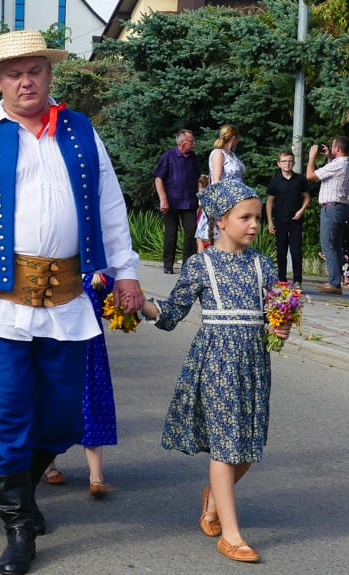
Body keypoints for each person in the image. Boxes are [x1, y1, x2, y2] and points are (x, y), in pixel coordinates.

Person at [0, 30, 143, 575]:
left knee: (65, 416)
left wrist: (128, 271)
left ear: (49, 74)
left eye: (35, 70)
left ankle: (25, 491)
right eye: (14, 72)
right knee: (3, 414)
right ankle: (18, 525)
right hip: (0, 303)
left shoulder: (80, 131)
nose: (26, 81)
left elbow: (110, 204)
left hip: (68, 299)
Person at [140, 180, 292, 564]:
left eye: (257, 217)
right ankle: (232, 534)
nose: (254, 224)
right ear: (222, 221)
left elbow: (278, 315)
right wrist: (140, 303)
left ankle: (212, 502)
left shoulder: (264, 264)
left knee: (248, 447)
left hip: (254, 363)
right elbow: (172, 313)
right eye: (245, 217)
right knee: (226, 446)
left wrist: (281, 328)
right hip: (216, 363)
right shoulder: (200, 263)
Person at [42, 272, 117, 500]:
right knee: (53, 406)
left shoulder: (95, 271)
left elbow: (111, 305)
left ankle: (96, 476)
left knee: (92, 406)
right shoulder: (53, 269)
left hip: (89, 350)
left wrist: (104, 281)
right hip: (57, 347)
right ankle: (48, 465)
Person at [306, 137, 349, 295]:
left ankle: (334, 283)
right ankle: (336, 280)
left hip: (331, 207)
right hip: (342, 207)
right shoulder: (345, 163)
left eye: (333, 146)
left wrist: (312, 157)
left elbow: (310, 176)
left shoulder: (339, 164)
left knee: (328, 245)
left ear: (337, 148)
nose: (331, 147)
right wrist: (329, 157)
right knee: (336, 246)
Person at [154, 129, 200, 274]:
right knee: (171, 234)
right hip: (171, 201)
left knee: (191, 231)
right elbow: (158, 178)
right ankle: (168, 265)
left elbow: (198, 178)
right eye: (191, 141)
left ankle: (188, 264)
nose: (193, 144)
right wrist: (163, 200)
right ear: (181, 142)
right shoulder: (168, 156)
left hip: (189, 201)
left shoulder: (193, 157)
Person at [266, 150, 310, 287]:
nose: (287, 164)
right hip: (280, 219)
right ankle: (282, 279)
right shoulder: (275, 181)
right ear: (279, 164)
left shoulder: (300, 179)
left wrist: (301, 211)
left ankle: (297, 281)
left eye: (290, 161)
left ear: (294, 163)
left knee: (296, 250)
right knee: (281, 250)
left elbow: (307, 198)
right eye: (284, 161)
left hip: (295, 219)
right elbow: (269, 202)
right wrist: (270, 221)